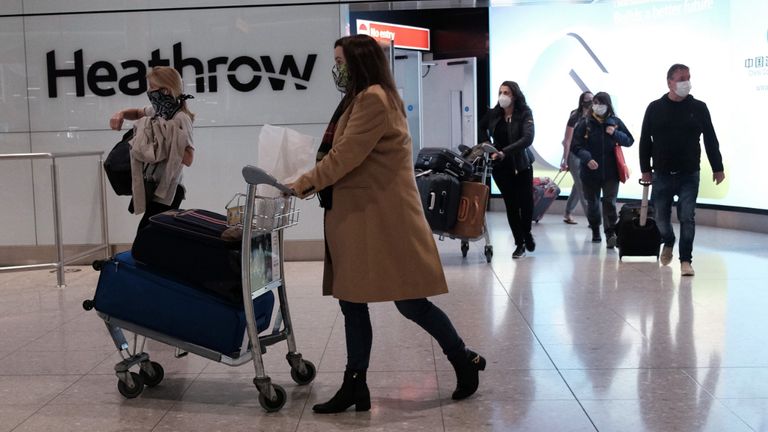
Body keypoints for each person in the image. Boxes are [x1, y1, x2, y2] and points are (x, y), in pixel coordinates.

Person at [288, 35, 485, 414]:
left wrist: (302, 183)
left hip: (384, 220)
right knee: (352, 301)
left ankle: (464, 360)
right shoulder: (362, 97)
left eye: (340, 62)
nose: (336, 69)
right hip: (363, 217)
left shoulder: (373, 100)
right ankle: (355, 385)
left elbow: (345, 156)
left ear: (359, 62)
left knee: (410, 302)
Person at [639, 64, 725, 276]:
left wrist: (717, 167)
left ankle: (686, 259)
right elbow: (644, 141)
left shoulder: (699, 107)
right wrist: (645, 169)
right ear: (669, 82)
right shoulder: (654, 108)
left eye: (688, 77)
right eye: (680, 78)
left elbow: (710, 139)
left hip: (689, 173)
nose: (685, 82)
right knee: (660, 218)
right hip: (662, 173)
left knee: (687, 216)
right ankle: (668, 240)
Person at [109, 66, 195, 232]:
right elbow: (137, 112)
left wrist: (166, 138)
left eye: (153, 88)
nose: (149, 92)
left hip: (169, 189)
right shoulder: (158, 112)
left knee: (146, 236)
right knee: (154, 237)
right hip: (154, 187)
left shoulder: (181, 118)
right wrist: (120, 114)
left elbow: (188, 158)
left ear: (166, 90)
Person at [478, 81, 536, 259]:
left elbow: (528, 138)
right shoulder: (495, 113)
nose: (502, 96)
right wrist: (489, 145)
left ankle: (526, 233)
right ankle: (519, 243)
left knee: (526, 204)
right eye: (500, 92)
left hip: (521, 165)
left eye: (507, 93)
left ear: (515, 96)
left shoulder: (525, 113)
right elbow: (481, 127)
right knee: (511, 204)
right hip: (501, 167)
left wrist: (506, 151)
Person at [570, 91, 634, 248]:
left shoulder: (615, 122)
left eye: (601, 103)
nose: (598, 106)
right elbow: (575, 146)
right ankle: (595, 230)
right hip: (589, 173)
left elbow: (629, 140)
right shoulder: (585, 123)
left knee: (609, 203)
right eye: (595, 103)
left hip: (611, 173)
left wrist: (615, 133)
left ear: (608, 105)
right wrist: (587, 158)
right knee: (592, 204)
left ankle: (610, 232)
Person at [560, 91, 593, 224]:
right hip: (574, 156)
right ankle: (592, 220)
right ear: (582, 101)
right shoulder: (575, 116)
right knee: (583, 187)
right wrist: (565, 159)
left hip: (586, 155)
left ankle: (567, 213)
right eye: (588, 100)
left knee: (577, 187)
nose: (591, 102)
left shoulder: (593, 117)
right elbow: (567, 140)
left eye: (592, 99)